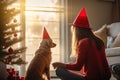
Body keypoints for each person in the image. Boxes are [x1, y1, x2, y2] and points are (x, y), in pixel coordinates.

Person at [52, 8, 111, 80]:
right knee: (69, 67)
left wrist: (60, 64)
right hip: (104, 78)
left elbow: (77, 67)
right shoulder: (99, 41)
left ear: (77, 30)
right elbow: (105, 66)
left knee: (59, 70)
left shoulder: (84, 42)